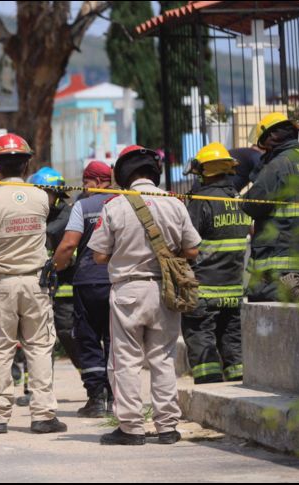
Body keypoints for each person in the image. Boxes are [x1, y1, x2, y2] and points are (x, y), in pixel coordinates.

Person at [88, 145, 201, 446]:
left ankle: (131, 428)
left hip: (128, 291)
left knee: (126, 361)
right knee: (163, 359)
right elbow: (192, 250)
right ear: (154, 171)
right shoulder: (173, 204)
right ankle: (167, 428)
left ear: (124, 173)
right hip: (166, 290)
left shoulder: (115, 206)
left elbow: (98, 255)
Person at [0, 133, 67, 435]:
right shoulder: (40, 197)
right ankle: (43, 415)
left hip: (1, 287)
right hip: (36, 284)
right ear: (26, 164)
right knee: (39, 348)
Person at [182, 143, 251, 384]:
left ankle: (208, 387)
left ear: (203, 172)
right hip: (233, 290)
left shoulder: (201, 201)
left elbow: (186, 241)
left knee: (201, 339)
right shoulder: (238, 200)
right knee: (232, 344)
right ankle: (236, 384)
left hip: (205, 290)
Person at [52, 160, 114, 418]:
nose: (85, 187)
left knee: (88, 340)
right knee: (114, 341)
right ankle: (116, 398)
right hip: (116, 281)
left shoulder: (83, 206)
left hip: (88, 282)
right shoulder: (124, 202)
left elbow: (68, 245)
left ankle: (96, 400)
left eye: (87, 182)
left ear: (97, 182)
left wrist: (55, 267)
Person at [242, 113, 299, 302]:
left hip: (278, 265)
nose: (264, 149)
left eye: (264, 143)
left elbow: (251, 205)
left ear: (272, 137)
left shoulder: (278, 165)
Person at [27, 167, 80, 370]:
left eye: (44, 193)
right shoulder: (37, 216)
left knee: (67, 334)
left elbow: (69, 256)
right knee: (36, 338)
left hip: (64, 289)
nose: (39, 197)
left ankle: (93, 386)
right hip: (38, 287)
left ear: (56, 194)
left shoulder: (67, 218)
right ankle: (35, 389)